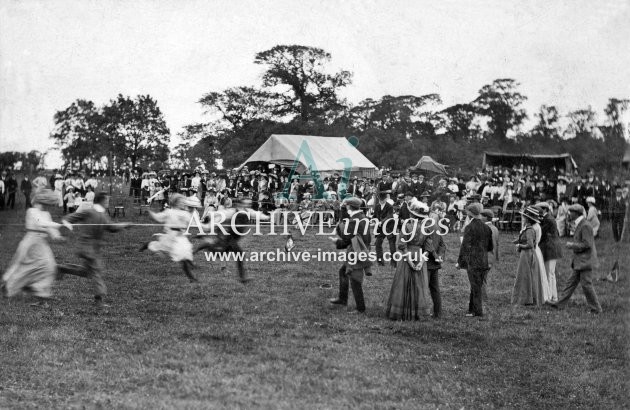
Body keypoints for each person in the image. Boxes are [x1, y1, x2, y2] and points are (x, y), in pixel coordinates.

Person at [57, 192, 131, 308]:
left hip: (94, 249)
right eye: (106, 201)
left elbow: (111, 228)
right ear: (100, 201)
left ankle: (62, 268)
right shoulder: (89, 212)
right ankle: (99, 300)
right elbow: (69, 217)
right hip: (86, 247)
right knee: (97, 271)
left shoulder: (103, 215)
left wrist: (124, 225)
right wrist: (67, 223)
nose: (108, 203)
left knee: (86, 272)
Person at [1, 190, 64, 307]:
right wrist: (57, 224)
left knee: (50, 267)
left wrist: (57, 235)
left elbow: (49, 228)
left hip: (41, 244)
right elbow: (41, 223)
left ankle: (40, 292)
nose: (45, 205)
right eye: (44, 202)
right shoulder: (31, 211)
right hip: (30, 243)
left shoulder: (46, 213)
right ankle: (8, 287)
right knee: (23, 266)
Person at [550, 204, 602, 314]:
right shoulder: (581, 224)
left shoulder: (585, 226)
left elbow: (587, 244)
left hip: (585, 261)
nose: (569, 214)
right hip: (580, 261)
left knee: (586, 285)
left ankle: (596, 309)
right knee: (570, 283)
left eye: (571, 212)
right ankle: (560, 304)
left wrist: (572, 245)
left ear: (576, 213)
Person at [386, 201, 432, 320]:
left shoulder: (407, 226)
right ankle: (417, 313)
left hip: (408, 255)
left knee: (404, 283)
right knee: (418, 284)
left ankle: (403, 312)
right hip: (419, 255)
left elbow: (402, 245)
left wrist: (410, 262)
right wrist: (421, 262)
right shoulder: (427, 227)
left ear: (411, 214)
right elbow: (428, 248)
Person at [140, 194, 199, 282]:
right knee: (159, 248)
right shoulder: (169, 212)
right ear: (176, 203)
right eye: (181, 202)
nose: (184, 203)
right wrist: (149, 211)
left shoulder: (185, 213)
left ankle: (191, 277)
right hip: (170, 236)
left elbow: (193, 223)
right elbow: (158, 218)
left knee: (184, 254)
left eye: (184, 202)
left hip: (181, 238)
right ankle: (147, 245)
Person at [329, 196, 372, 313]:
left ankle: (360, 308)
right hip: (361, 249)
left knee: (355, 279)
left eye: (345, 206)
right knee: (343, 271)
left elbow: (346, 239)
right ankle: (343, 298)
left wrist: (336, 241)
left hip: (356, 251)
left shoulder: (354, 220)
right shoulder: (362, 217)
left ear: (348, 206)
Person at [457, 203, 493, 317]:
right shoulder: (487, 227)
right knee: (476, 285)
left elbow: (465, 246)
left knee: (475, 287)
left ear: (470, 213)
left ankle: (478, 311)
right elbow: (490, 247)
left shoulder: (469, 227)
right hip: (484, 260)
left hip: (473, 261)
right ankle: (472, 310)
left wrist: (460, 262)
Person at [512, 206, 547, 306]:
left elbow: (530, 245)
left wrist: (520, 245)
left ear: (528, 219)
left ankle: (525, 298)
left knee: (525, 275)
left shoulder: (529, 230)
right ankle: (526, 297)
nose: (523, 218)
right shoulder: (528, 229)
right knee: (525, 275)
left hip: (527, 254)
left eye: (524, 217)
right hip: (526, 254)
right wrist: (518, 240)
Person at [536, 202, 562, 302]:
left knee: (549, 274)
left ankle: (552, 297)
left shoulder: (548, 219)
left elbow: (541, 233)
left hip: (550, 248)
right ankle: (553, 296)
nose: (538, 212)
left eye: (539, 210)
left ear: (545, 210)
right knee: (550, 274)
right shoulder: (548, 218)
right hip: (551, 248)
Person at [373, 191, 397, 267]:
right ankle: (380, 262)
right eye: (380, 199)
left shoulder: (390, 206)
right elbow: (374, 216)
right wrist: (373, 220)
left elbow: (389, 216)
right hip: (380, 229)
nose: (381, 201)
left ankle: (393, 263)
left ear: (386, 199)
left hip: (389, 227)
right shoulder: (377, 206)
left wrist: (381, 222)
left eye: (382, 199)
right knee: (377, 244)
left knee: (391, 245)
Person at [480, 209, 499, 300]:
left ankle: (482, 297)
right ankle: (483, 296)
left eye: (481, 216)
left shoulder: (485, 228)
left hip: (485, 257)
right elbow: (497, 244)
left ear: (486, 217)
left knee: (481, 278)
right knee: (483, 277)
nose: (480, 217)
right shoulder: (495, 228)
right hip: (492, 257)